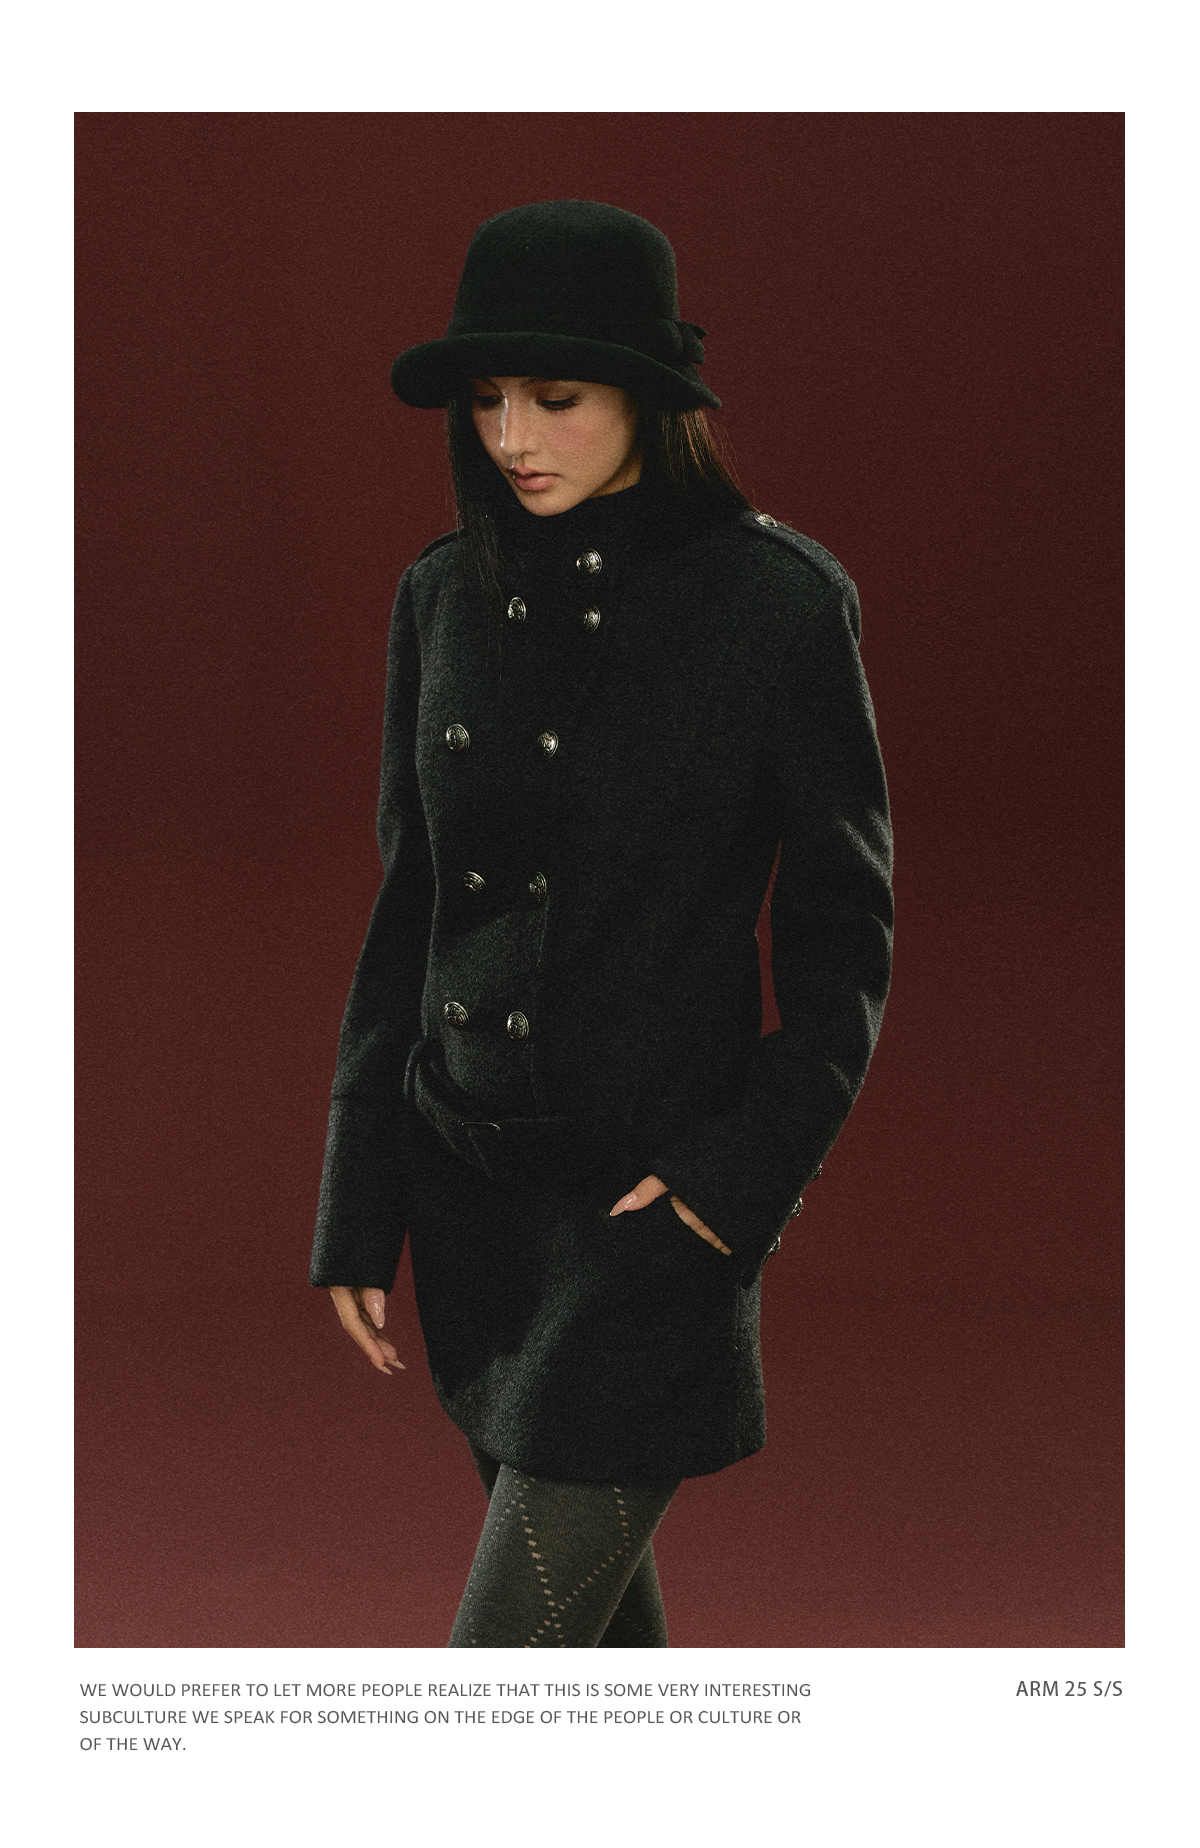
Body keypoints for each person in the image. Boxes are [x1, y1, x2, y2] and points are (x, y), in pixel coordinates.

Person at [309, 200, 894, 1648]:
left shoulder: (777, 606)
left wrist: (729, 1183)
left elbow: (844, 946)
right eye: (488, 401)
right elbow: (410, 912)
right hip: (471, 1203)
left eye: (555, 398)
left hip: (647, 1223)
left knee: (503, 1687)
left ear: (648, 396)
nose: (513, 436)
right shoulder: (440, 596)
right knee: (596, 1690)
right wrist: (358, 1202)